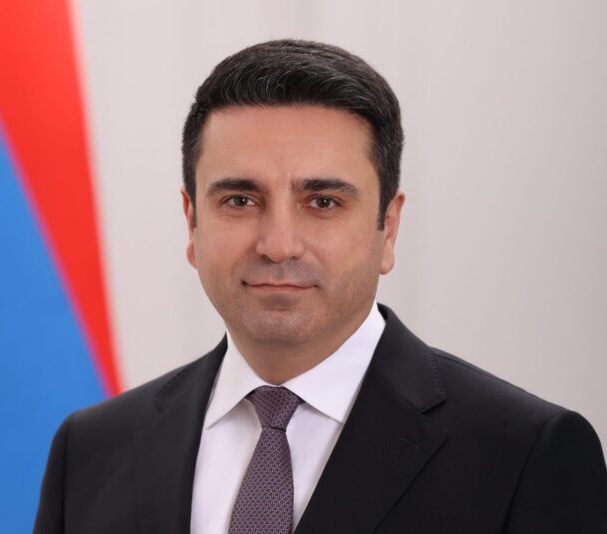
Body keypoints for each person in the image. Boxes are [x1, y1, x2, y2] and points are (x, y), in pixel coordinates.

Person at [33, 39, 607, 534]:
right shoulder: (91, 449)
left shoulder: (526, 454)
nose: (279, 244)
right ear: (192, 223)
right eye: (240, 200)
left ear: (388, 227)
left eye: (324, 202)